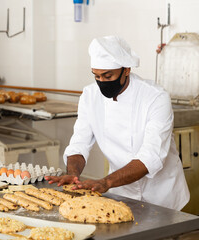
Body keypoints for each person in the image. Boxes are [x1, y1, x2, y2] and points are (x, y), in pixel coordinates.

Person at [45, 36, 190, 210]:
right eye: (97, 76)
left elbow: (151, 156)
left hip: (161, 195)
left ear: (126, 70)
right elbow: (79, 143)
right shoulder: (90, 96)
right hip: (120, 191)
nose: (102, 82)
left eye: (108, 76)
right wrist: (73, 174)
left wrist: (107, 181)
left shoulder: (155, 97)